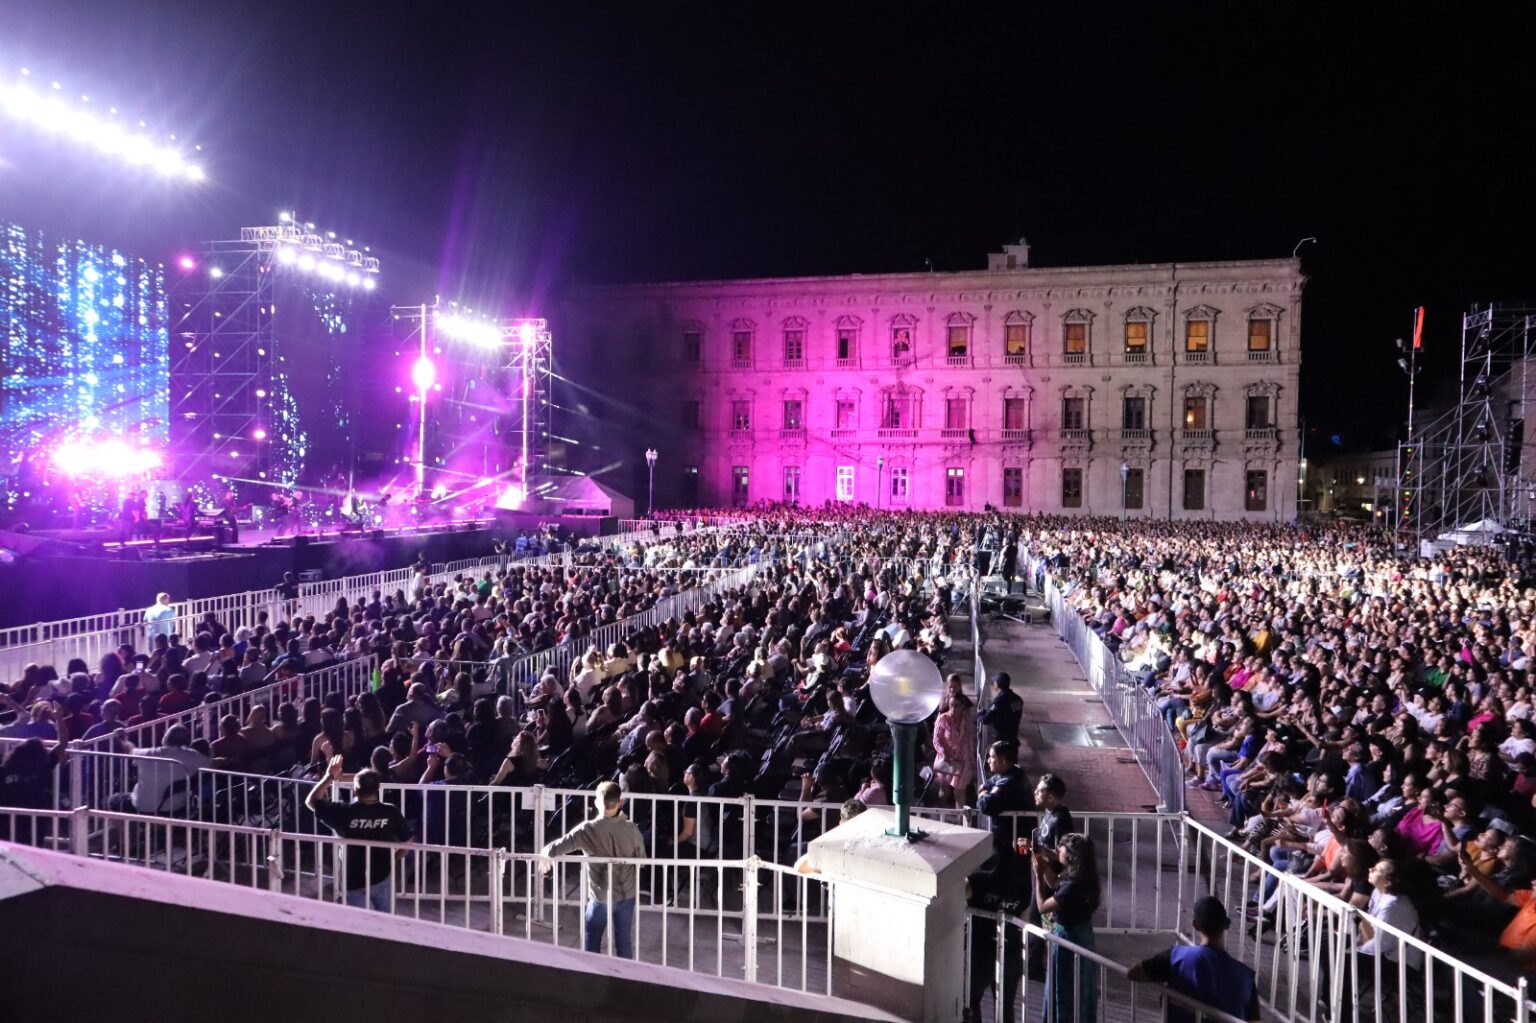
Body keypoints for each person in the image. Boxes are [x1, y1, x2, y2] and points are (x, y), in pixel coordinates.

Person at [540, 780, 647, 957]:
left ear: (597, 802)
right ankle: (627, 980)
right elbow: (642, 861)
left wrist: (545, 853)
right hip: (627, 894)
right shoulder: (632, 829)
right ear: (619, 803)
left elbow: (557, 846)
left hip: (601, 896)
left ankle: (593, 978)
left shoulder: (587, 829)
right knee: (624, 942)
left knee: (592, 942)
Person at [1128, 896, 1261, 1023]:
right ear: (1227, 924)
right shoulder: (1246, 977)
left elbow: (1133, 973)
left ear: (1195, 925)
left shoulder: (1177, 957)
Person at [305, 755, 412, 911]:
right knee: (387, 920)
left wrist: (329, 777)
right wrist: (393, 858)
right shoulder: (391, 812)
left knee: (360, 923)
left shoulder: (343, 812)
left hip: (352, 879)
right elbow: (408, 842)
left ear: (355, 790)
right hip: (381, 875)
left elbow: (312, 801)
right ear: (377, 789)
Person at [1032, 831, 1100, 1023]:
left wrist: (1037, 877)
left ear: (1070, 854)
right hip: (1084, 936)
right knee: (1083, 986)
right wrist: (1044, 868)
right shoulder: (1085, 877)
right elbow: (1055, 884)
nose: (1057, 850)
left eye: (1060, 847)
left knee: (1064, 987)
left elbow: (1043, 907)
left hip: (1067, 941)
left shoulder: (1073, 885)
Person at [980, 671, 1024, 749]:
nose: (993, 684)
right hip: (1013, 741)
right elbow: (1011, 714)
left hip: (1001, 741)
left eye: (994, 682)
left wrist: (980, 715)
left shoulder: (999, 701)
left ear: (997, 684)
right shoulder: (1018, 699)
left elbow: (986, 720)